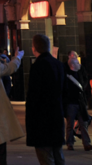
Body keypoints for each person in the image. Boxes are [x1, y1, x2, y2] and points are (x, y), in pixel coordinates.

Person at [26, 34, 66, 165]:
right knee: (58, 154)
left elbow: (34, 96)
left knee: (45, 157)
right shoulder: (58, 64)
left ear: (34, 48)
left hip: (41, 120)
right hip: (56, 116)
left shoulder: (38, 66)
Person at [64, 52, 92, 151]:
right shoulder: (67, 76)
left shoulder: (80, 73)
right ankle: (70, 143)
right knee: (70, 124)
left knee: (83, 124)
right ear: (72, 65)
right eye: (77, 63)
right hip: (71, 103)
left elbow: (84, 82)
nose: (79, 64)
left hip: (80, 102)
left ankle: (86, 143)